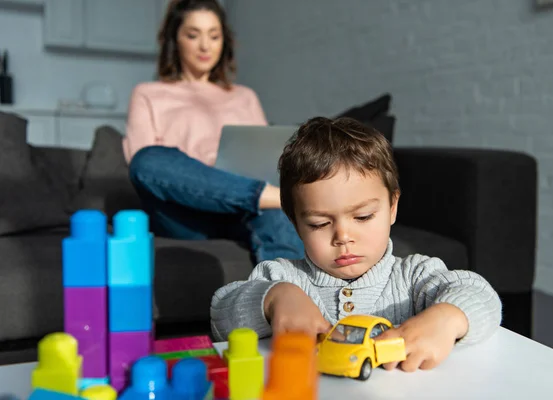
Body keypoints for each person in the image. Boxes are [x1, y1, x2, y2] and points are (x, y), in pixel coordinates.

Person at [210, 116, 502, 372]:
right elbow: (222, 315)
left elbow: (480, 294)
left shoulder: (415, 275)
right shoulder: (282, 278)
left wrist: (447, 318)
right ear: (294, 221)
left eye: (362, 217)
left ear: (392, 207)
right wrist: (273, 299)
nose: (343, 236)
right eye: (319, 223)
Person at [122, 0, 303, 263]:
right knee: (147, 159)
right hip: (185, 213)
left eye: (214, 36)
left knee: (274, 210)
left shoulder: (245, 97)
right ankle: (286, 198)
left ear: (224, 41)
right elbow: (145, 171)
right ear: (176, 39)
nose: (205, 46)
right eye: (193, 35)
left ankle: (290, 297)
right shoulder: (148, 94)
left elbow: (265, 160)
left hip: (242, 211)